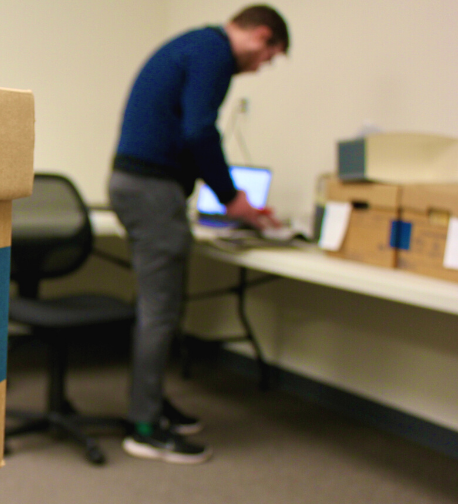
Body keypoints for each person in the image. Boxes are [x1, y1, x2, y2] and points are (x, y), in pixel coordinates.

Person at [108, 4, 289, 464]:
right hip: (151, 190)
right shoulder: (214, 54)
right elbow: (199, 132)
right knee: (161, 311)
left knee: (160, 308)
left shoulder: (194, 45)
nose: (261, 66)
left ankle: (151, 404)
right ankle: (144, 426)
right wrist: (233, 199)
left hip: (141, 185)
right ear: (261, 36)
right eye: (269, 57)